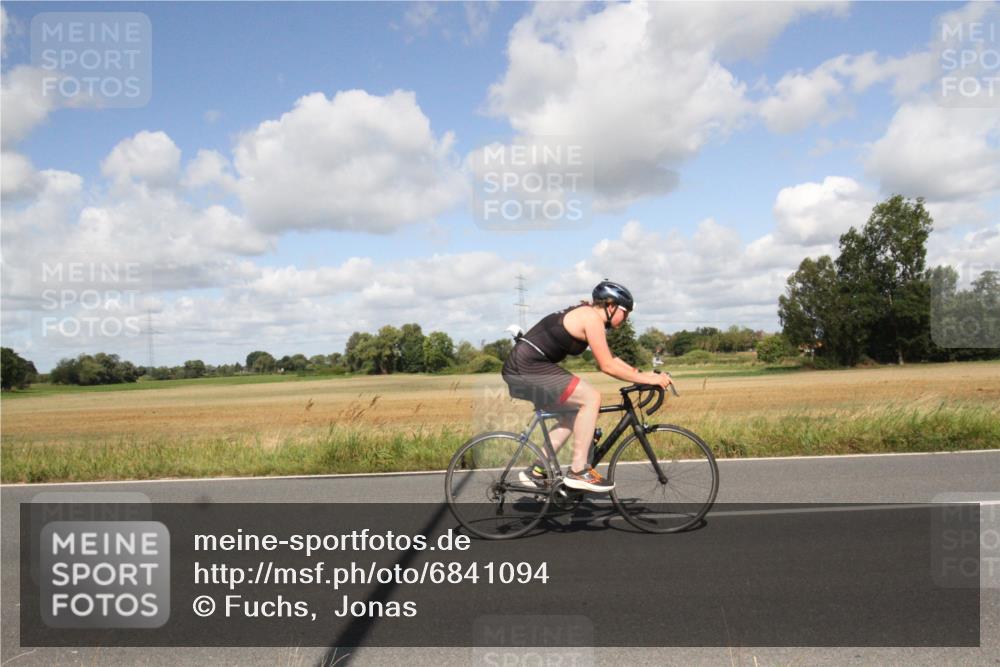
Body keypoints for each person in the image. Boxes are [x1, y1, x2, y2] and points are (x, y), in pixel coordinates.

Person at [501, 280, 673, 492]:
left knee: (572, 415)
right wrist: (649, 380)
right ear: (611, 306)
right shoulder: (591, 318)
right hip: (526, 367)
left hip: (526, 366)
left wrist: (642, 375)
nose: (627, 317)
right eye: (625, 312)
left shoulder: (590, 316)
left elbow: (610, 357)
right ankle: (579, 470)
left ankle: (537, 470)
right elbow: (607, 365)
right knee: (591, 397)